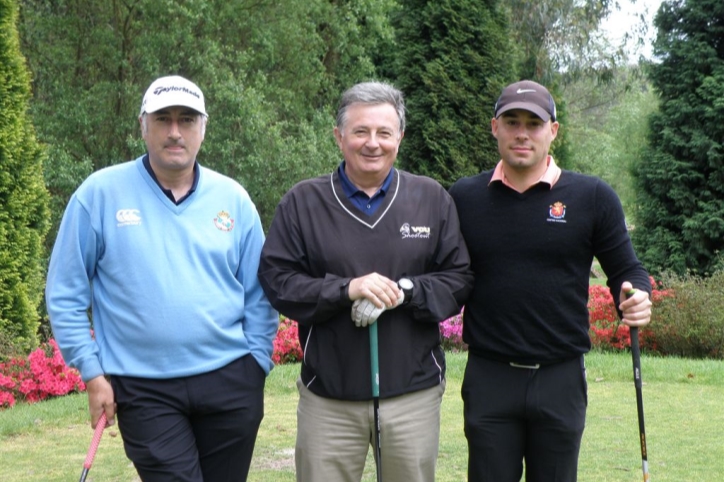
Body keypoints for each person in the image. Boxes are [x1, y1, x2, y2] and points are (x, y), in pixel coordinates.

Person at [45, 75, 279, 482]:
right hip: (143, 388)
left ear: (203, 129)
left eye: (186, 120)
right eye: (163, 119)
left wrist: (256, 362)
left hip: (231, 381)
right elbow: (65, 293)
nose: (175, 131)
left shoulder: (233, 199)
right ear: (143, 126)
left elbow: (260, 291)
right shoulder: (98, 195)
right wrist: (92, 372)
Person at [258, 81, 473, 482]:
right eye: (360, 132)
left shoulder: (431, 198)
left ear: (400, 138)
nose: (372, 143)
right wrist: (346, 289)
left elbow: (458, 279)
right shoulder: (302, 203)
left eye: (384, 132)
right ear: (339, 136)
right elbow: (277, 281)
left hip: (412, 394)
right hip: (329, 397)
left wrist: (404, 291)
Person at [448, 79, 653, 482]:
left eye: (534, 123)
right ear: (495, 127)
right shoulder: (464, 197)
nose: (522, 133)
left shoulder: (592, 196)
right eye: (512, 122)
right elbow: (444, 272)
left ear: (552, 131)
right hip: (490, 376)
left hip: (560, 377)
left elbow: (627, 270)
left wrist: (637, 294)